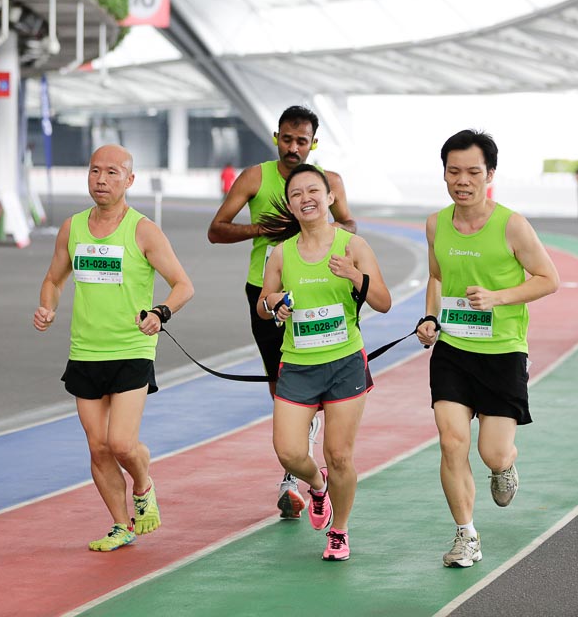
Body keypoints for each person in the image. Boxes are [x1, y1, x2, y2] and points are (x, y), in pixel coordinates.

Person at [33, 144, 194, 552]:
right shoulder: (73, 227)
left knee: (122, 443)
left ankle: (143, 484)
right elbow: (53, 279)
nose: (101, 180)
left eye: (111, 173)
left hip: (131, 349)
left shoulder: (142, 230)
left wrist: (161, 312)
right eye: (94, 172)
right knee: (98, 446)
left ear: (129, 180)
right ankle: (121, 525)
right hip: (85, 352)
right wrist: (47, 308)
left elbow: (183, 285)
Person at [415, 130, 559, 569]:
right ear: (444, 173)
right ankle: (466, 535)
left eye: (473, 172)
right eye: (454, 171)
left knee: (491, 452)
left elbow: (548, 279)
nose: (462, 180)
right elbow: (437, 278)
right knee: (451, 441)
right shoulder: (436, 224)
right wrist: (430, 318)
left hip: (502, 352)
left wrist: (497, 297)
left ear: (489, 175)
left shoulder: (512, 224)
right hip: (454, 349)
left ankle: (504, 465)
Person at [207, 106, 357, 520]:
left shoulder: (330, 183)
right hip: (267, 292)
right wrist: (262, 230)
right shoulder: (256, 178)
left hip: (324, 291)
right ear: (277, 138)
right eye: (287, 139)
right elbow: (216, 229)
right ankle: (295, 472)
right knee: (283, 385)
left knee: (320, 379)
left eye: (302, 141)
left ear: (314, 143)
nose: (294, 148)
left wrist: (321, 232)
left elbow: (350, 225)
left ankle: (297, 477)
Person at [256, 163, 391, 560]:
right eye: (296, 194)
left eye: (313, 191)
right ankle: (318, 486)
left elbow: (383, 303)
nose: (305, 199)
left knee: (340, 454)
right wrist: (275, 305)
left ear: (330, 197)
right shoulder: (280, 254)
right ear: (290, 205)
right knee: (289, 452)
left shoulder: (353, 245)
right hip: (297, 365)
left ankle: (340, 530)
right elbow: (264, 306)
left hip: (345, 362)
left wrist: (355, 276)